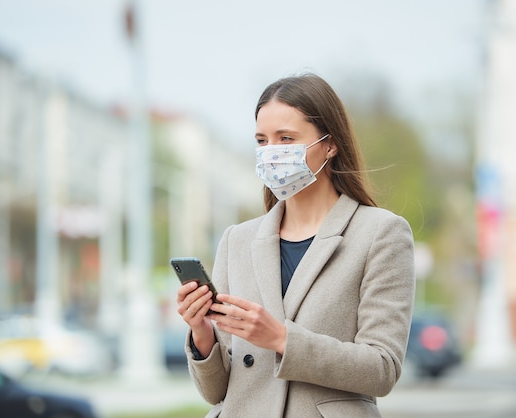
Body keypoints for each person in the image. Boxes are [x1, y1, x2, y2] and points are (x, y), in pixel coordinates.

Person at [176, 73, 415, 417]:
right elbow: (217, 392)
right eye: (262, 140)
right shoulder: (237, 240)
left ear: (330, 145)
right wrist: (202, 332)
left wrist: (281, 339)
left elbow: (382, 369)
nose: (271, 153)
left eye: (286, 138)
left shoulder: (381, 233)